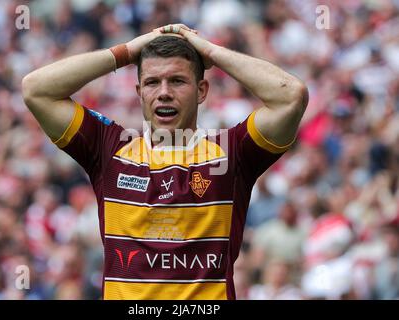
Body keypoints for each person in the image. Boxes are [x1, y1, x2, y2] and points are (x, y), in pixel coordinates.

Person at [22, 23, 308, 300]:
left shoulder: (232, 153)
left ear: (202, 90)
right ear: (139, 93)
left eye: (177, 80)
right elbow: (36, 89)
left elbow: (290, 96)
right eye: (152, 82)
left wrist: (211, 53)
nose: (164, 92)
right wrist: (126, 52)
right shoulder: (108, 149)